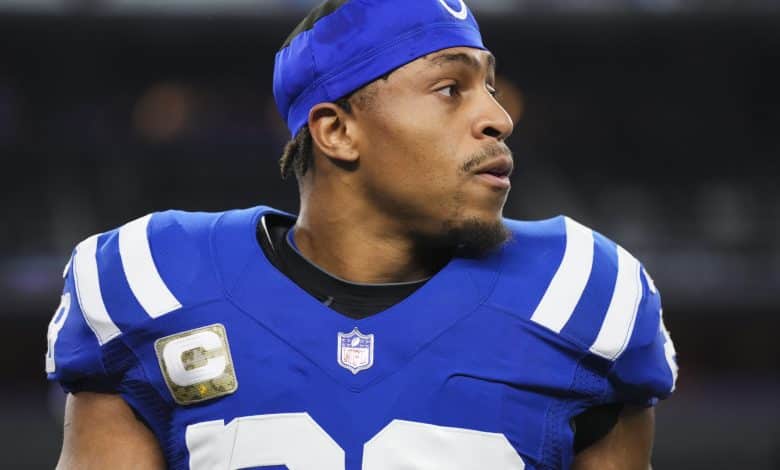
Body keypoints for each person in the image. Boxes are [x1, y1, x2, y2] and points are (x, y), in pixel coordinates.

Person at [45, 0, 678, 468]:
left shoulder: (579, 293)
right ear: (337, 131)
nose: (498, 117)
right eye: (451, 88)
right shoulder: (153, 285)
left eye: (489, 86)